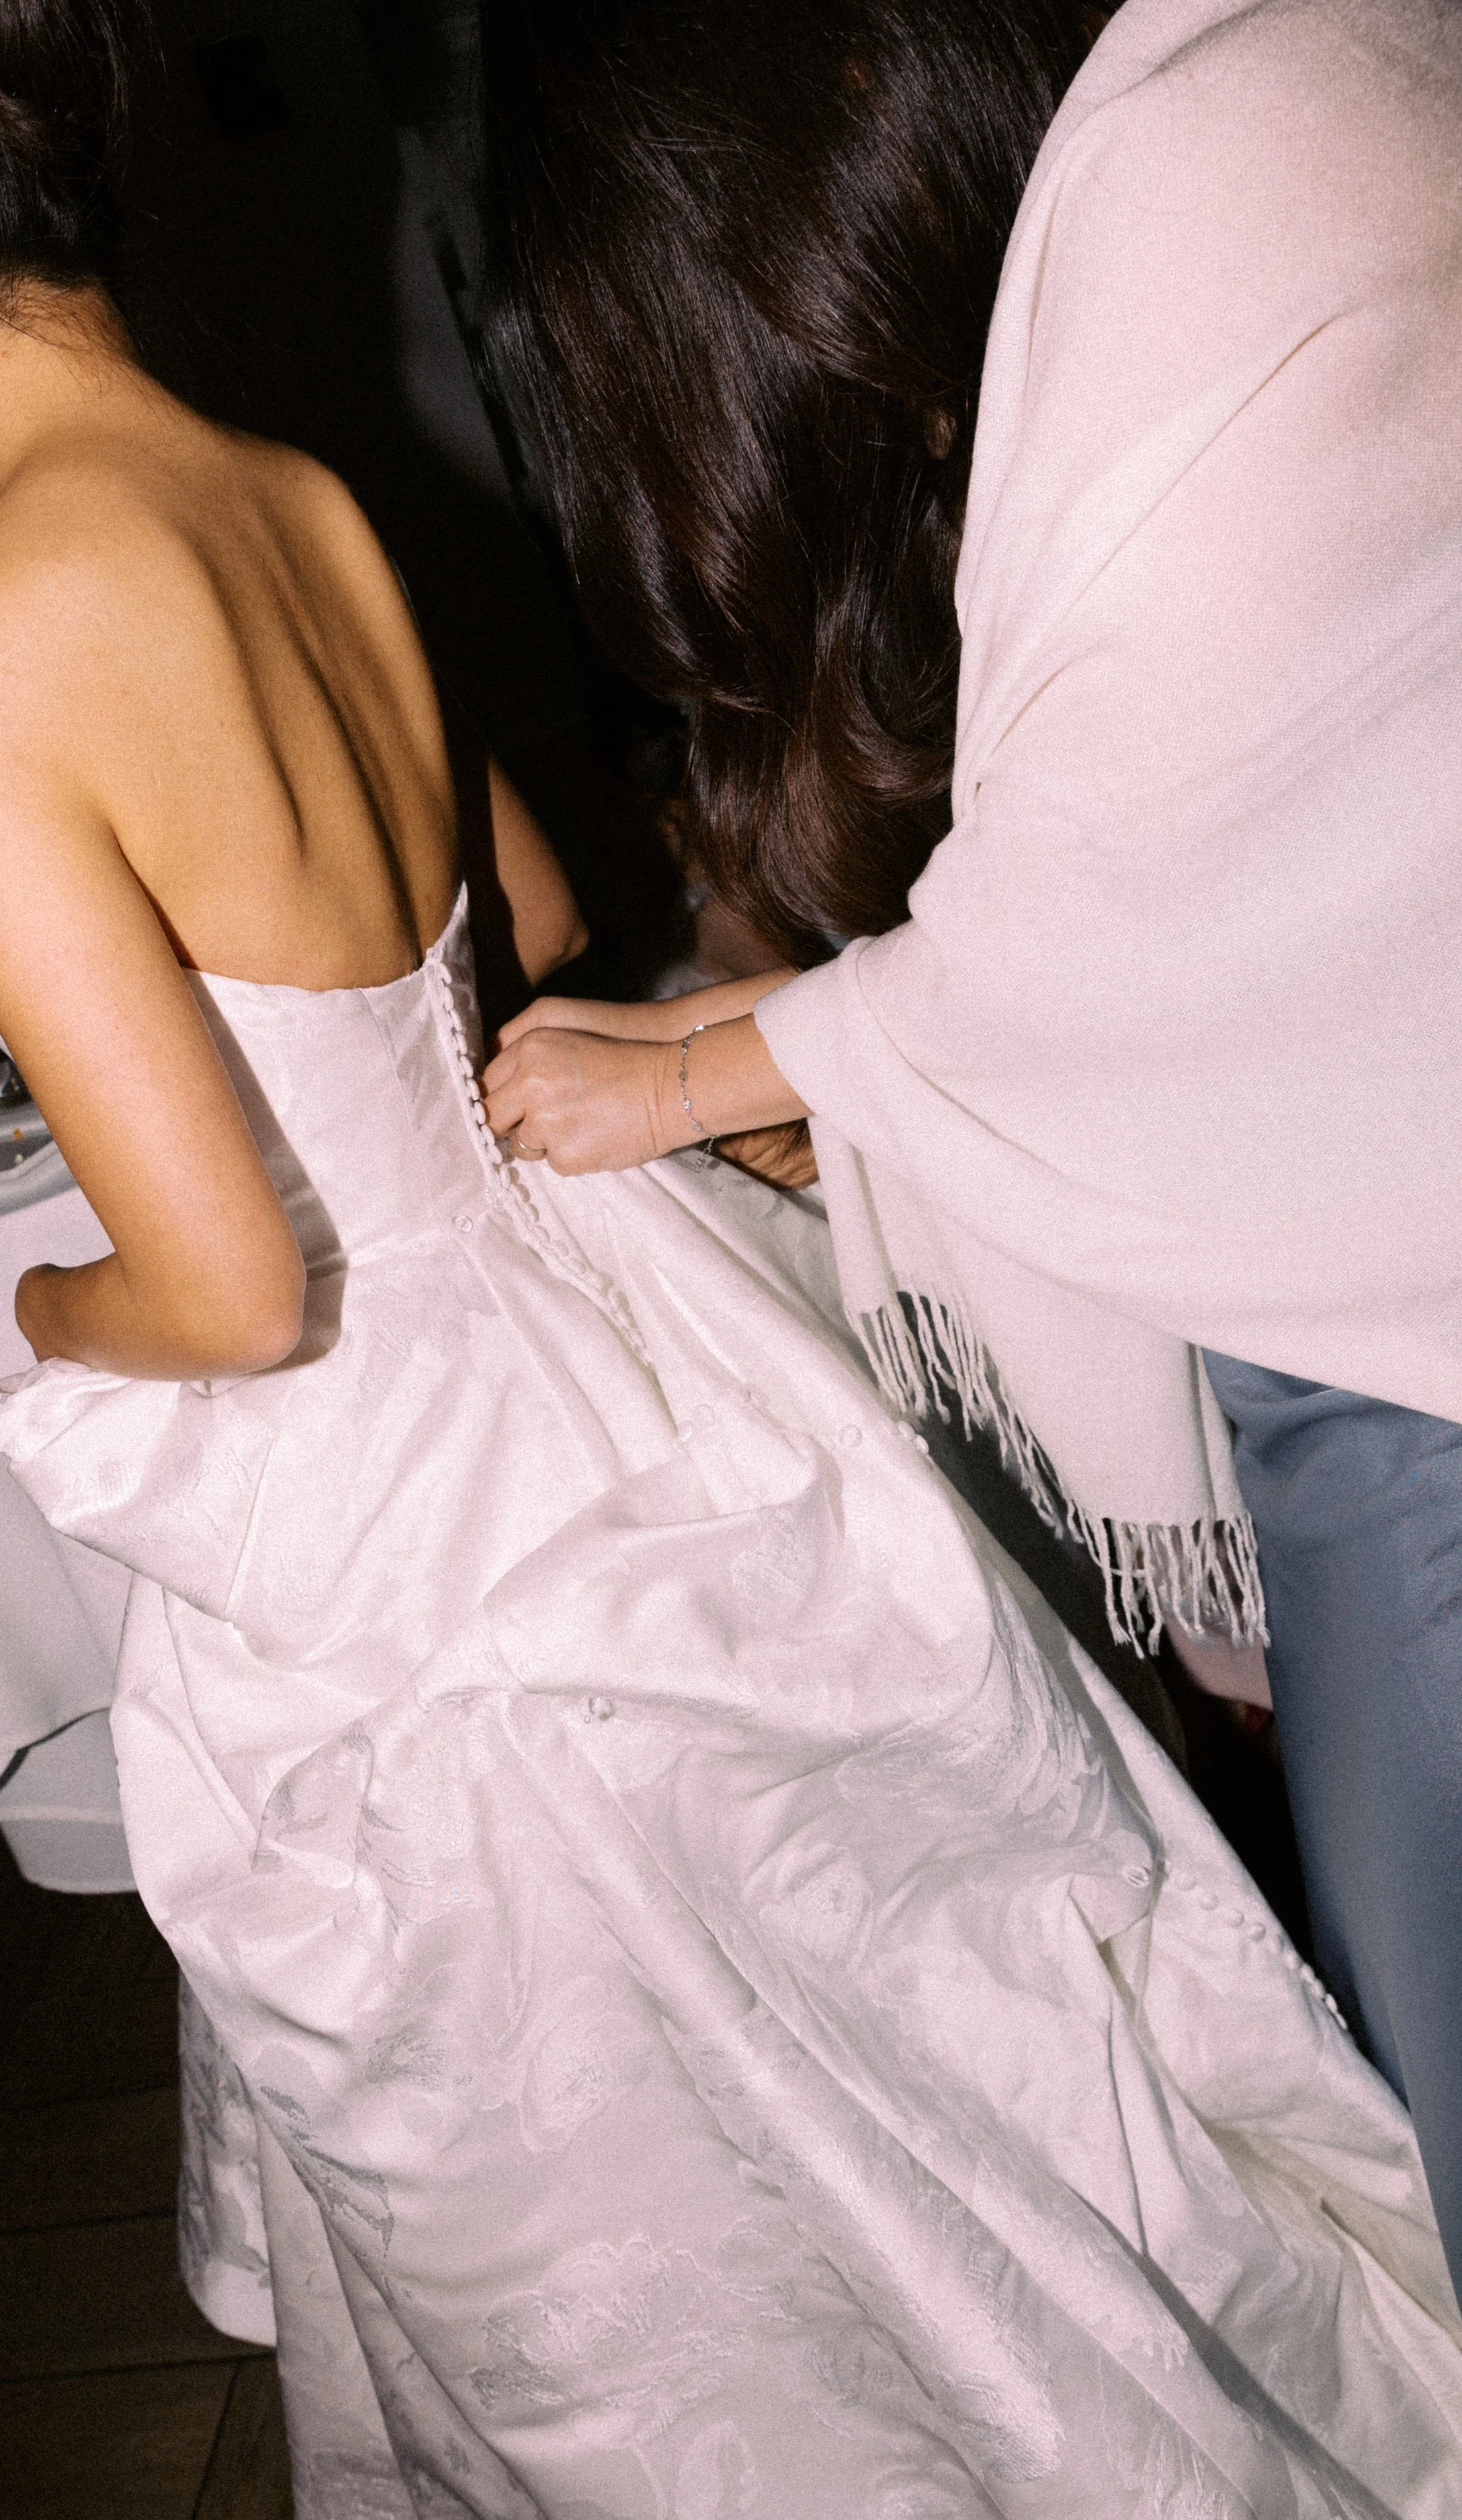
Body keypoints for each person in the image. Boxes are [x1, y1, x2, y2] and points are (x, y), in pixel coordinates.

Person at [0, 1, 1457, 2512]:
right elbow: (536, 923)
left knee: (657, 2209)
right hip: (594, 1359)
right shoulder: (300, 498)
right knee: (903, 2028)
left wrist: (33, 1312)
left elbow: (231, 1282)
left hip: (396, 1501)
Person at [479, 0, 1462, 2302]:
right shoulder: (1255, 78)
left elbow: (1114, 899)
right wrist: (764, 1027)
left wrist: (695, 1077)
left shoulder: (1201, 153)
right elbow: (1206, 827)